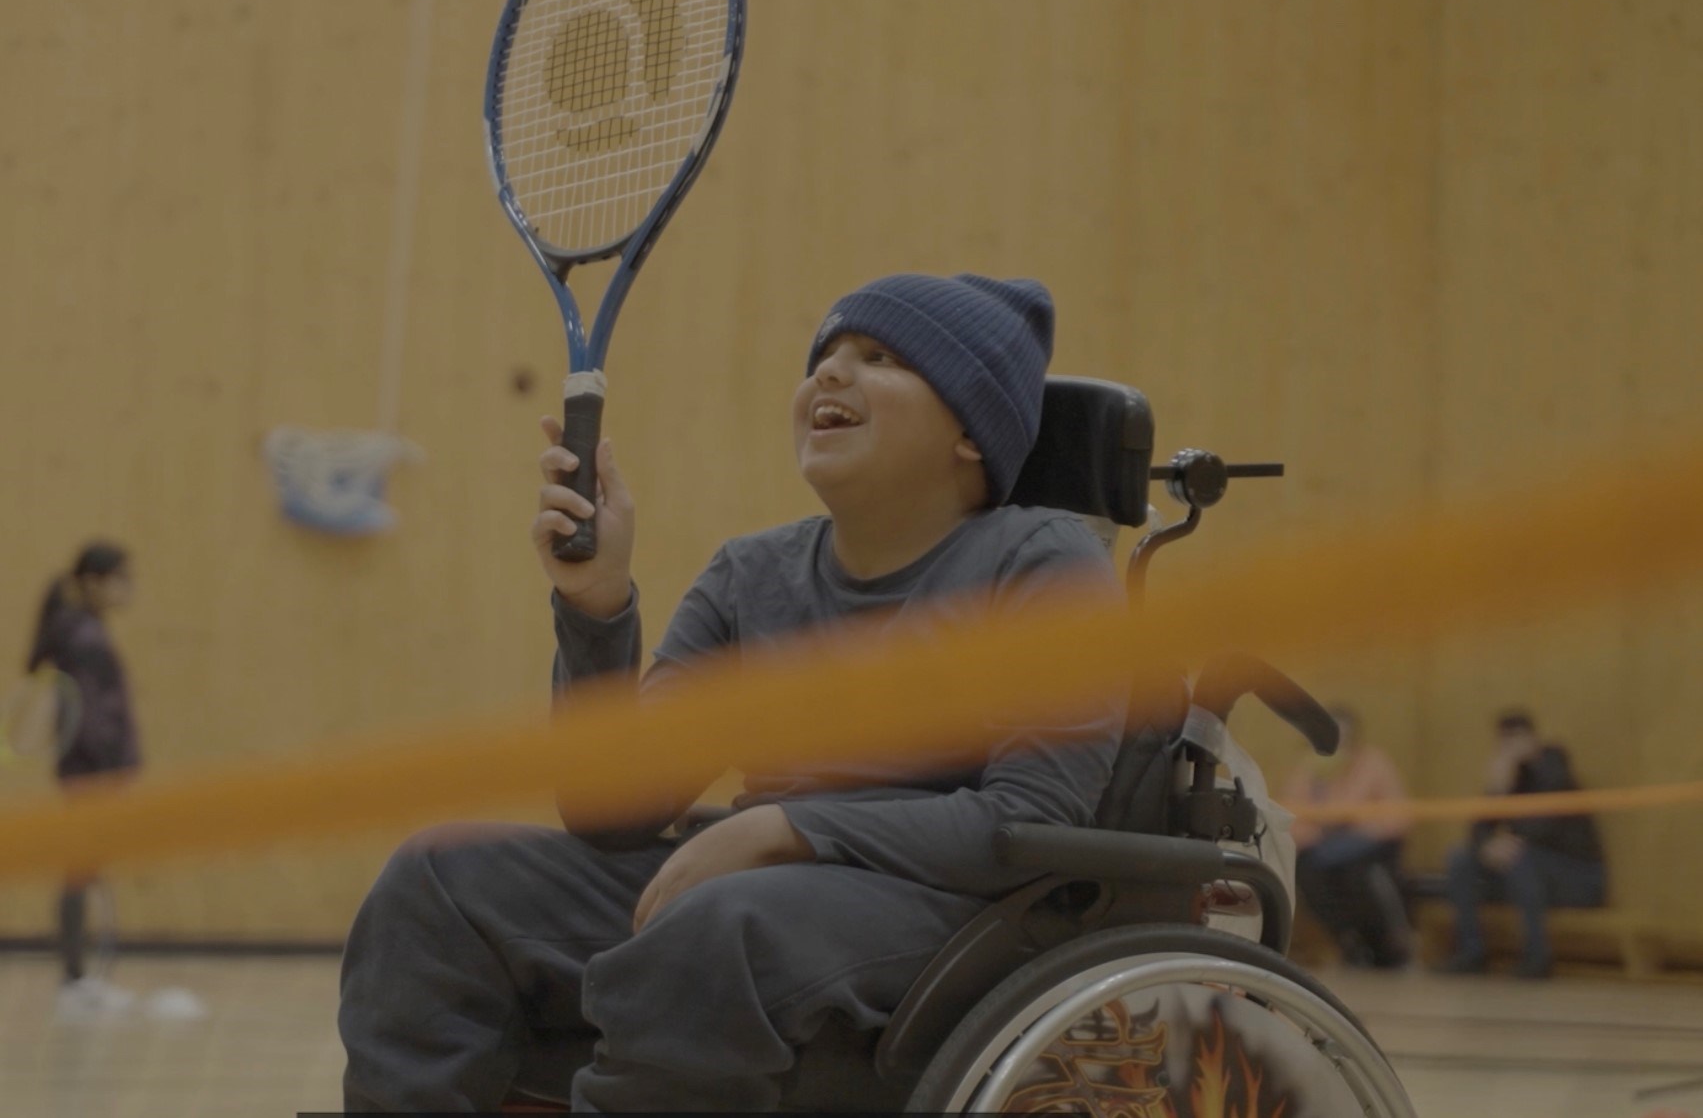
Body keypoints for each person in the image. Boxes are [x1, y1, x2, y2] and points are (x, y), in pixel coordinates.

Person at [338, 273, 1127, 1112]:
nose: (828, 373)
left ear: (971, 430)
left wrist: (786, 828)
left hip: (955, 911)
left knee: (725, 924)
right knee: (440, 879)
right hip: (767, 900)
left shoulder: (1042, 560)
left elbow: (1031, 818)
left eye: (879, 356)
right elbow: (612, 808)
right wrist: (595, 606)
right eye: (822, 356)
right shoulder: (750, 573)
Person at [23, 541, 140, 1015]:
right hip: (90, 773)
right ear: (92, 581)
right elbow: (93, 714)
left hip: (86, 770)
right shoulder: (84, 637)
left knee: (83, 868)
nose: (128, 588)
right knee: (79, 868)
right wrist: (111, 770)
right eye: (120, 578)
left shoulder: (79, 630)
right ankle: (75, 980)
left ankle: (77, 978)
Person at [1441, 709, 1605, 979]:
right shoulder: (1510, 778)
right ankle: (1471, 952)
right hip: (1528, 877)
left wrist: (1502, 843)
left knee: (1519, 857)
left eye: (1518, 739)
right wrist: (1495, 794)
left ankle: (1538, 958)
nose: (1511, 748)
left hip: (1579, 879)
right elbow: (1478, 832)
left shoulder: (1556, 771)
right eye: (1504, 741)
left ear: (1534, 739)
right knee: (1461, 859)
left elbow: (1541, 829)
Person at [1282, 706, 1412, 968]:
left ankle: (1389, 947)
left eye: (1345, 738)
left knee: (1358, 873)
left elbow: (1397, 817)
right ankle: (1349, 942)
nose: (1339, 745)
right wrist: (1317, 835)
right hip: (1322, 849)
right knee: (1306, 870)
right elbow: (1291, 818)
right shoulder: (1309, 768)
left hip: (1369, 845)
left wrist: (1353, 830)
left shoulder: (1375, 762)